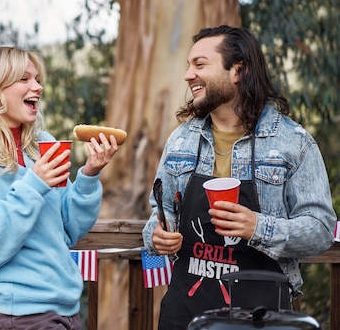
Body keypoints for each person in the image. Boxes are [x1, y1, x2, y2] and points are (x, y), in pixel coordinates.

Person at [142, 25, 336, 330]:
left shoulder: (293, 143)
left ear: (238, 71)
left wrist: (258, 227)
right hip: (185, 315)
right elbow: (158, 213)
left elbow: (321, 229)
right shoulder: (181, 140)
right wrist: (156, 235)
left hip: (262, 319)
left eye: (200, 64)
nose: (188, 75)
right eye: (188, 65)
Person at [0, 46, 119, 330]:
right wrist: (34, 185)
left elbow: (69, 228)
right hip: (19, 317)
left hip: (66, 310)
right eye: (24, 79)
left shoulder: (44, 144)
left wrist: (89, 174)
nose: (37, 87)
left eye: (38, 79)